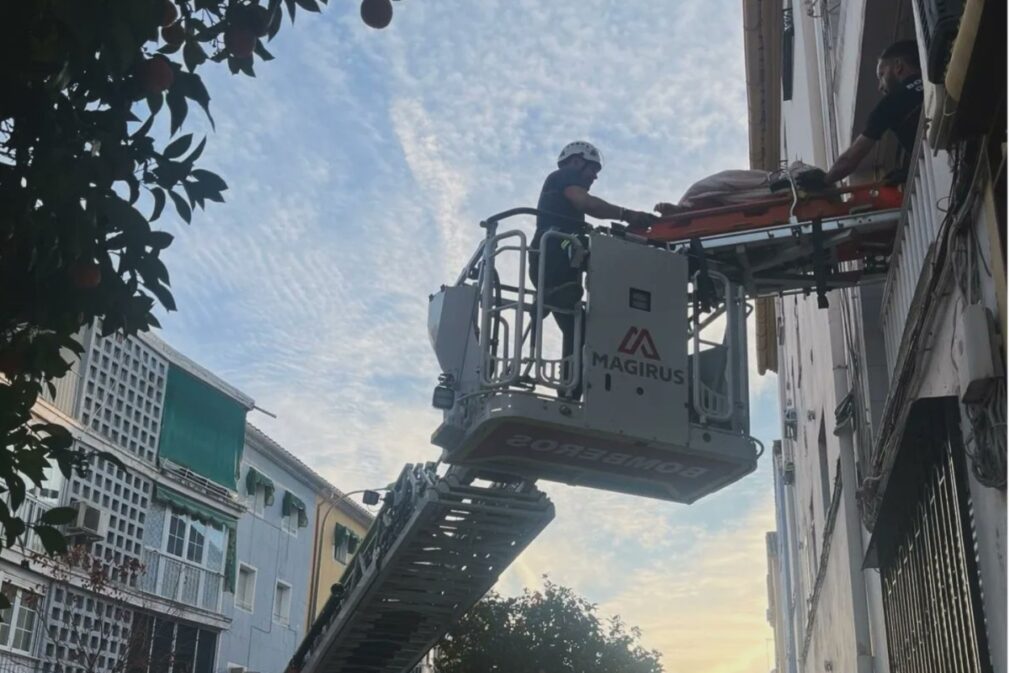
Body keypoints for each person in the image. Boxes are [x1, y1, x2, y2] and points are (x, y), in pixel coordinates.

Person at [530, 141, 656, 397]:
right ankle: (552, 295)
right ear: (576, 161)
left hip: (555, 262)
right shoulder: (562, 177)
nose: (594, 175)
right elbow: (585, 203)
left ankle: (571, 390)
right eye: (592, 168)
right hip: (554, 256)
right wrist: (627, 214)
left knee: (578, 330)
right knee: (574, 315)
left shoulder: (561, 196)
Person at [824, 39, 923, 184]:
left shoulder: (890, 104)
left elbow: (852, 158)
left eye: (882, 75)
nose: (880, 86)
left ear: (898, 66)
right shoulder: (937, 76)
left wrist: (824, 183)